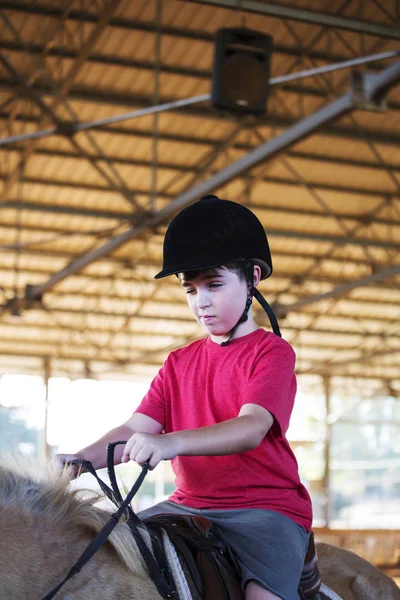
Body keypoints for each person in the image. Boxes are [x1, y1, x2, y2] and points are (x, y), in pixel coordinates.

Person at [55, 194, 312, 600]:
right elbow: (132, 430)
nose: (201, 302)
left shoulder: (272, 352)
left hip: (263, 510)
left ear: (253, 278)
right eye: (190, 290)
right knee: (108, 555)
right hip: (186, 506)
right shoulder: (178, 362)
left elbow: (251, 428)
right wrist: (76, 462)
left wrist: (169, 442)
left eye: (214, 285)